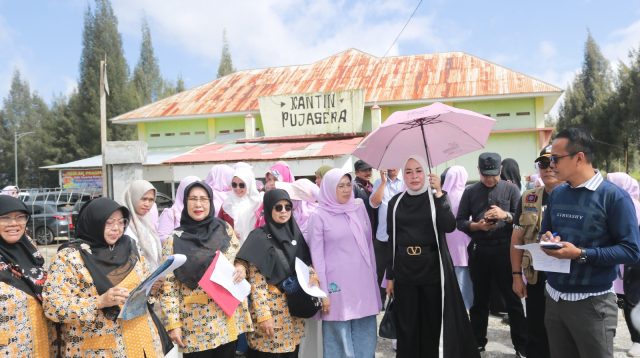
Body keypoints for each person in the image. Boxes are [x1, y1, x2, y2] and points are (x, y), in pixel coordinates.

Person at [540, 127, 640, 358]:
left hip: (592, 304)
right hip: (554, 298)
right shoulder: (558, 194)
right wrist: (546, 239)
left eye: (555, 158)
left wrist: (581, 254)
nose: (551, 164)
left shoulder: (614, 198)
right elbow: (545, 232)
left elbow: (631, 251)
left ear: (579, 158)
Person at [43, 198, 165, 357]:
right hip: (101, 349)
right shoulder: (69, 258)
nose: (117, 228)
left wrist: (153, 289)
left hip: (143, 342)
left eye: (121, 222)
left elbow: (142, 288)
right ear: (94, 223)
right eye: (109, 222)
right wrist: (99, 301)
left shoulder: (130, 248)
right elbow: (52, 306)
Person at [385, 156, 478, 357]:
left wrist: (439, 193)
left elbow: (449, 226)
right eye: (408, 171)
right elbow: (392, 241)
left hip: (432, 269)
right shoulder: (395, 202)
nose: (414, 176)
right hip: (405, 269)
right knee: (407, 325)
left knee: (432, 323)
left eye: (418, 170)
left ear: (426, 173)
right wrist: (390, 276)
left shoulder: (435, 198)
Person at [161, 181, 252, 357]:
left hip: (226, 319)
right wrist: (173, 324)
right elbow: (168, 288)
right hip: (194, 325)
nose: (198, 204)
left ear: (211, 202)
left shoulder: (224, 229)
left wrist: (241, 266)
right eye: (193, 199)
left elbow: (239, 257)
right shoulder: (174, 240)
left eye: (204, 199)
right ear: (185, 202)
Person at [456, 152, 527, 356]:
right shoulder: (470, 192)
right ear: (478, 171)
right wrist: (476, 226)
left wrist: (505, 215)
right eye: (485, 174)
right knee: (480, 301)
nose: (489, 179)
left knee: (513, 301)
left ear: (500, 171)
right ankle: (477, 342)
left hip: (506, 251)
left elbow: (522, 219)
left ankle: (521, 346)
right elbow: (459, 221)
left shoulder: (511, 189)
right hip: (480, 251)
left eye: (494, 175)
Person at [307, 168, 381, 358]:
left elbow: (369, 245)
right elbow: (317, 257)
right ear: (330, 188)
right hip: (336, 286)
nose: (346, 189)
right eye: (340, 186)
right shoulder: (318, 215)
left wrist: (373, 279)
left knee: (366, 334)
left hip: (362, 283)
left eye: (348, 184)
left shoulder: (358, 207)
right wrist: (323, 293)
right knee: (338, 338)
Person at [236, 189, 314, 357]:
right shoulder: (259, 237)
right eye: (278, 207)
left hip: (293, 312)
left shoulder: (296, 234)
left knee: (291, 353)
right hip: (271, 312)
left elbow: (305, 266)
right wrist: (264, 316)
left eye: (288, 207)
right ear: (269, 209)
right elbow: (257, 283)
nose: (284, 211)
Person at [510, 145, 561, 358]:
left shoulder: (577, 196)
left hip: (566, 279)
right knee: (536, 331)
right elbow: (516, 238)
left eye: (552, 162)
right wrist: (516, 277)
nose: (548, 168)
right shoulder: (529, 198)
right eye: (542, 163)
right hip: (536, 276)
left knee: (562, 334)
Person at [0, 195, 53, 356]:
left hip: (40, 347)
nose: (14, 223)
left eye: (20, 217)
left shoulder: (28, 250)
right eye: (5, 217)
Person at [606, 172, 640, 357]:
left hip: (632, 262)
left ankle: (637, 340)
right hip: (622, 261)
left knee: (631, 299)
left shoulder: (629, 205)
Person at [369, 168, 405, 304]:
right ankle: (380, 302)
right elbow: (373, 203)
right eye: (390, 165)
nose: (393, 168)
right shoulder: (379, 182)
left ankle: (399, 300)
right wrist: (383, 183)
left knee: (400, 269)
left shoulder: (405, 181)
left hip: (402, 235)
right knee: (379, 270)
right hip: (383, 235)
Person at [442, 165, 474, 310]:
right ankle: (465, 306)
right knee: (463, 274)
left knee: (449, 272)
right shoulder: (466, 194)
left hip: (446, 240)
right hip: (463, 241)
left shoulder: (443, 195)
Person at [123, 180, 162, 271]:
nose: (147, 204)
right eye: (144, 199)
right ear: (133, 197)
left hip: (154, 279)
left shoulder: (147, 222)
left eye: (151, 200)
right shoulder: (123, 224)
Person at [219, 167, 264, 243]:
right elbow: (218, 225)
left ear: (249, 184)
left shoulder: (258, 203)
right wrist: (229, 233)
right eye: (234, 184)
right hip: (232, 248)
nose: (237, 188)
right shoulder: (227, 204)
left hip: (254, 245)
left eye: (242, 185)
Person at [158, 175, 200, 241]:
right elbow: (161, 238)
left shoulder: (200, 212)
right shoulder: (171, 213)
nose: (194, 194)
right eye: (190, 190)